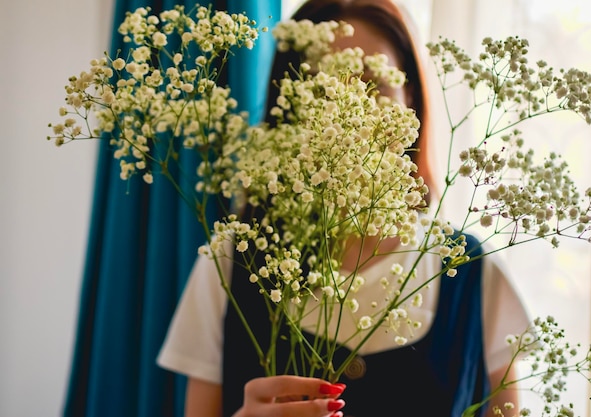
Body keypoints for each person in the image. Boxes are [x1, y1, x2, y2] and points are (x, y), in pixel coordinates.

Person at [157, 1, 532, 416]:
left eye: (374, 83)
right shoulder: (233, 260)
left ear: (411, 100)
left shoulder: (472, 272)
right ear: (290, 107)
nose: (353, 112)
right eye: (324, 89)